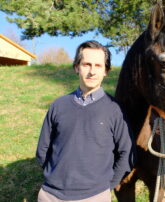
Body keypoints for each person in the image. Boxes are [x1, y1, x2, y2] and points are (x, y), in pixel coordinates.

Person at [36, 40, 134, 202]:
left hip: (95, 196)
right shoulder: (58, 105)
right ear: (76, 67)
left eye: (98, 66)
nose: (92, 71)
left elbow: (127, 153)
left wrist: (106, 188)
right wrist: (55, 178)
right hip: (50, 195)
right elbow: (42, 150)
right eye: (86, 64)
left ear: (106, 71)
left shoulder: (116, 110)